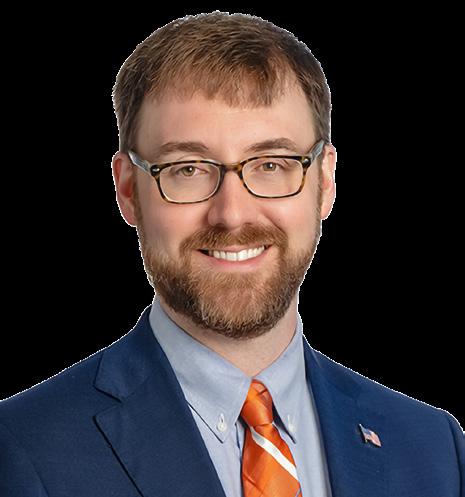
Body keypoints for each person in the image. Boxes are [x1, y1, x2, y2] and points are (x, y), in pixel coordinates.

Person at [1, 11, 463, 497]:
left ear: (326, 182)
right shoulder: (22, 450)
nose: (232, 214)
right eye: (187, 169)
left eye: (272, 164)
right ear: (128, 189)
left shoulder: (433, 447)